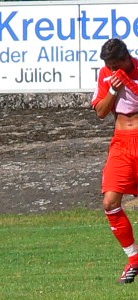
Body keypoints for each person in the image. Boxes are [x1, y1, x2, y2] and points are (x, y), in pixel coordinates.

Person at [93, 38, 138, 284]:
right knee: (110, 202)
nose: (111, 69)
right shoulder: (106, 75)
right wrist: (112, 90)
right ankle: (134, 259)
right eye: (108, 66)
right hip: (121, 142)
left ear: (126, 59)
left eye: (114, 65)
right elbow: (101, 112)